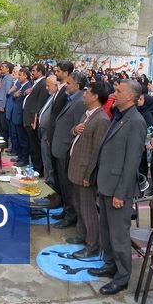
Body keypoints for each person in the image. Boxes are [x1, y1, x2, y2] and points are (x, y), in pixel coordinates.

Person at [88, 80, 147, 295]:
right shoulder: (119, 115)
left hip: (118, 190)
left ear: (130, 96)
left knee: (119, 235)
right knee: (106, 230)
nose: (114, 93)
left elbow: (132, 162)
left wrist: (121, 193)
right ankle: (110, 265)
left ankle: (122, 277)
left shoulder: (136, 121)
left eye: (119, 91)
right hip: (106, 184)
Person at [66, 81, 111, 259]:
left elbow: (96, 151)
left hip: (85, 172)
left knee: (88, 210)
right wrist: (74, 130)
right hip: (76, 167)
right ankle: (82, 235)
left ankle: (92, 245)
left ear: (95, 97)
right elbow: (76, 133)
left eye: (87, 93)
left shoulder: (101, 119)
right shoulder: (88, 114)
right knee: (78, 205)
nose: (84, 95)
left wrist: (89, 175)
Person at [51, 72, 88, 229]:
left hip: (67, 150)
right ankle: (66, 211)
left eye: (69, 83)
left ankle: (71, 215)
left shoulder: (79, 102)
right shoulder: (70, 99)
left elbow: (77, 129)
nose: (65, 85)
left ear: (77, 86)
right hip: (60, 148)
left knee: (68, 186)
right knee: (63, 184)